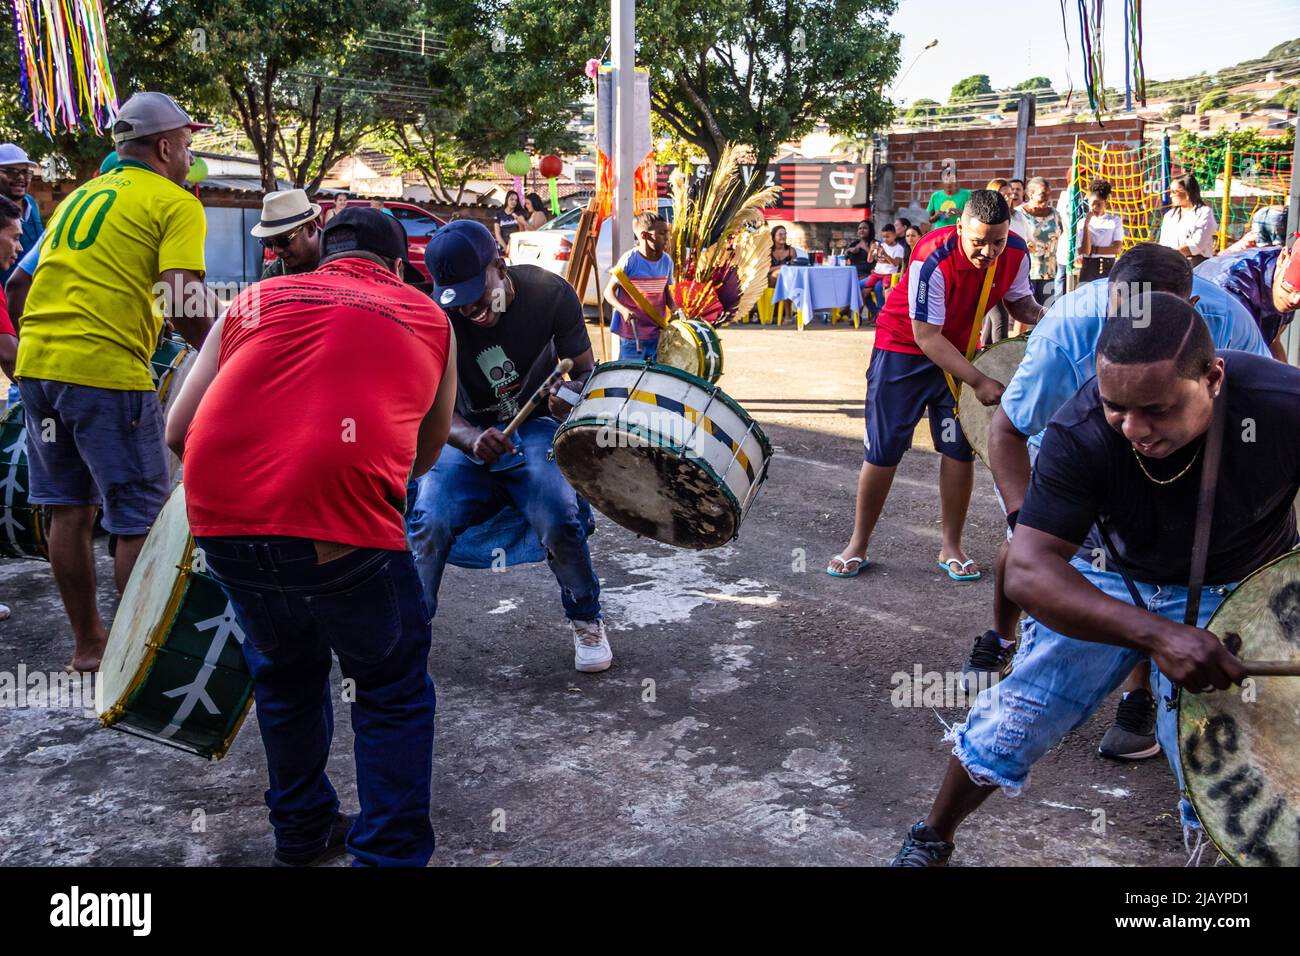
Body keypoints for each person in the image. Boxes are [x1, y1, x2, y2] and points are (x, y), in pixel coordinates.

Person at [893, 293, 1299, 866]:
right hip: (1109, 577)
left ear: (1212, 377)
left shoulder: (1284, 405)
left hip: (1237, 587)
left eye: (1156, 409)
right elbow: (1031, 571)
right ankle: (931, 838)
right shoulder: (1083, 427)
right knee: (1016, 716)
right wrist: (1157, 635)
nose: (1133, 428)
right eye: (1116, 407)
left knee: (1227, 761)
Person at [166, 207, 455, 868]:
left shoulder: (256, 298)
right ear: (397, 264)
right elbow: (427, 451)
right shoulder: (427, 316)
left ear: (320, 250)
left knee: (286, 678)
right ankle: (386, 857)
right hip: (343, 533)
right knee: (390, 692)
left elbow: (177, 433)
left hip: (227, 525)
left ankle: (300, 835)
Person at [960, 244, 1270, 761]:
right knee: (1038, 561)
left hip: (1177, 450)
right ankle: (1003, 636)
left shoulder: (1230, 322)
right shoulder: (1066, 332)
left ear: (1192, 306)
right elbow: (1008, 430)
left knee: (1153, 567)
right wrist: (1026, 528)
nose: (1131, 333)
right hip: (1069, 449)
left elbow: (1265, 391)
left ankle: (1138, 696)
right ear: (1108, 297)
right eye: (1120, 316)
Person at [14, 91, 214, 673]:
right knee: (138, 516)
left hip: (38, 367)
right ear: (164, 146)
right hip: (105, 373)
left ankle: (90, 645)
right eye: (186, 143)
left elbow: (17, 290)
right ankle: (135, 661)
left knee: (67, 509)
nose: (189, 154)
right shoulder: (174, 203)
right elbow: (180, 295)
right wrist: (225, 355)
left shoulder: (78, 198)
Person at [409, 219, 612, 673]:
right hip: (461, 432)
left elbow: (584, 370)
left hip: (536, 425)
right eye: (455, 300)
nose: (468, 310)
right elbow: (427, 403)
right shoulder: (434, 316)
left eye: (475, 294)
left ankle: (586, 618)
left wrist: (570, 397)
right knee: (430, 519)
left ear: (499, 266)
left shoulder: (550, 294)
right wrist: (469, 438)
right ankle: (411, 636)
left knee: (558, 514)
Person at [826, 190, 1041, 581]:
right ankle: (857, 543)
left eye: (996, 241)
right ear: (959, 227)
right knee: (884, 450)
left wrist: (1056, 319)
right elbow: (927, 336)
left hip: (958, 352)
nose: (988, 252)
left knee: (959, 450)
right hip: (903, 352)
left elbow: (1022, 305)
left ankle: (952, 545)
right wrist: (978, 380)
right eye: (978, 242)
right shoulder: (933, 255)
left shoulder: (1015, 252)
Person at [1196, 235, 1300, 363]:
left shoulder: (1284, 275)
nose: (1295, 300)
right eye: (1288, 288)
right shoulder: (1232, 291)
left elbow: (1273, 341)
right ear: (1283, 258)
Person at [603, 210, 675, 362]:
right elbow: (608, 292)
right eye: (662, 233)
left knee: (654, 380)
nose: (666, 238)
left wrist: (675, 310)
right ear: (644, 236)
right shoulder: (630, 260)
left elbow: (666, 292)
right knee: (628, 378)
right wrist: (623, 310)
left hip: (657, 334)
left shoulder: (667, 261)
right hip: (632, 336)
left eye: (666, 233)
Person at [254, 189, 323, 279]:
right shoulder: (273, 276)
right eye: (268, 243)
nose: (276, 250)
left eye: (282, 240)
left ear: (310, 228)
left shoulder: (344, 260)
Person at [0, 144, 43, 288]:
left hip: (35, 289)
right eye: (11, 172)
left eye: (25, 172)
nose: (21, 178)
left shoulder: (30, 202)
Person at [1019, 176, 1063, 305]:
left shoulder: (1055, 214)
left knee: (1046, 314)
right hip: (1027, 272)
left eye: (1049, 194)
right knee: (1026, 315)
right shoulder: (1019, 214)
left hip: (1049, 272)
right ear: (1030, 194)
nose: (1047, 198)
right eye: (1043, 194)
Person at [1159, 173, 1217, 267]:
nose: (1170, 196)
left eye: (1174, 192)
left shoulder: (1204, 213)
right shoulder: (1169, 216)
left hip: (1197, 266)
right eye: (1170, 192)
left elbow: (1196, 246)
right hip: (1170, 264)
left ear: (1187, 193)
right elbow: (1163, 244)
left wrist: (1169, 255)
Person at [1076, 179, 1124, 282]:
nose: (1095, 208)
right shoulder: (1083, 222)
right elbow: (1085, 251)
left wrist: (1095, 250)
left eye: (1099, 204)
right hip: (1089, 267)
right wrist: (1086, 225)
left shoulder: (1114, 221)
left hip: (1107, 266)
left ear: (1105, 204)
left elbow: (1116, 248)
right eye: (1092, 204)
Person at [862, 222, 905, 317]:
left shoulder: (899, 248)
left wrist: (885, 254)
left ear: (894, 235)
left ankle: (886, 315)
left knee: (886, 293)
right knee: (864, 292)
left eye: (887, 236)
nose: (885, 239)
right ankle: (874, 313)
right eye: (883, 237)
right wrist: (871, 250)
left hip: (889, 274)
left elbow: (895, 263)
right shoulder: (881, 245)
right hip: (877, 273)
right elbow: (869, 261)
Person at [926, 163, 970, 228]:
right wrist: (936, 216)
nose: (949, 182)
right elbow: (928, 219)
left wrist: (959, 212)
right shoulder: (935, 196)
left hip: (959, 233)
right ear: (942, 181)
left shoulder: (967, 195)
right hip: (940, 234)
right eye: (946, 179)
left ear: (956, 179)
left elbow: (974, 216)